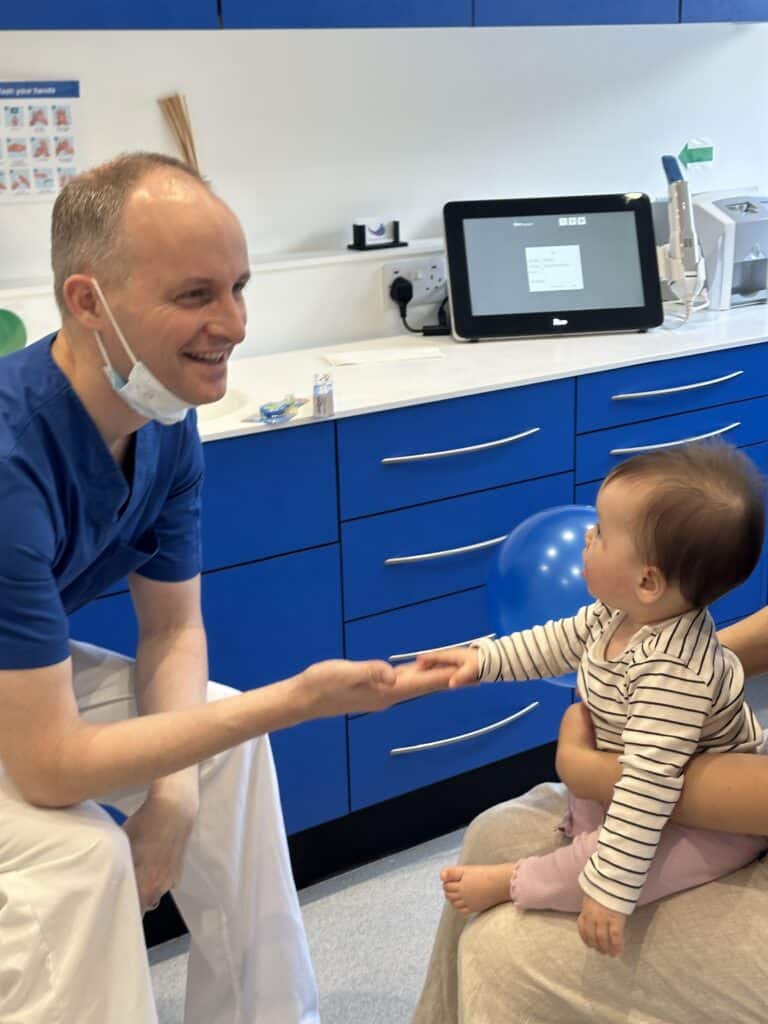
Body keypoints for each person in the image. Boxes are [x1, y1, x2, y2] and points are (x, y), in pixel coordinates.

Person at [0, 151, 449, 1024]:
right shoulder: (12, 457)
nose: (235, 323)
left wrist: (172, 793)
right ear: (87, 301)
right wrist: (295, 700)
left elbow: (170, 631)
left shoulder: (165, 417)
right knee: (81, 860)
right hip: (23, 705)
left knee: (223, 752)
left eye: (240, 286)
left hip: (18, 675)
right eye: (196, 295)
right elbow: (48, 767)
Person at [406, 443, 768, 960]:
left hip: (712, 823)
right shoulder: (615, 615)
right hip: (642, 784)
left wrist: (610, 891)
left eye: (600, 530)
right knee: (587, 828)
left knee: (604, 866)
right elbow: (553, 642)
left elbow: (648, 787)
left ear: (648, 580)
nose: (585, 535)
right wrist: (481, 659)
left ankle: (518, 881)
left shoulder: (674, 674)